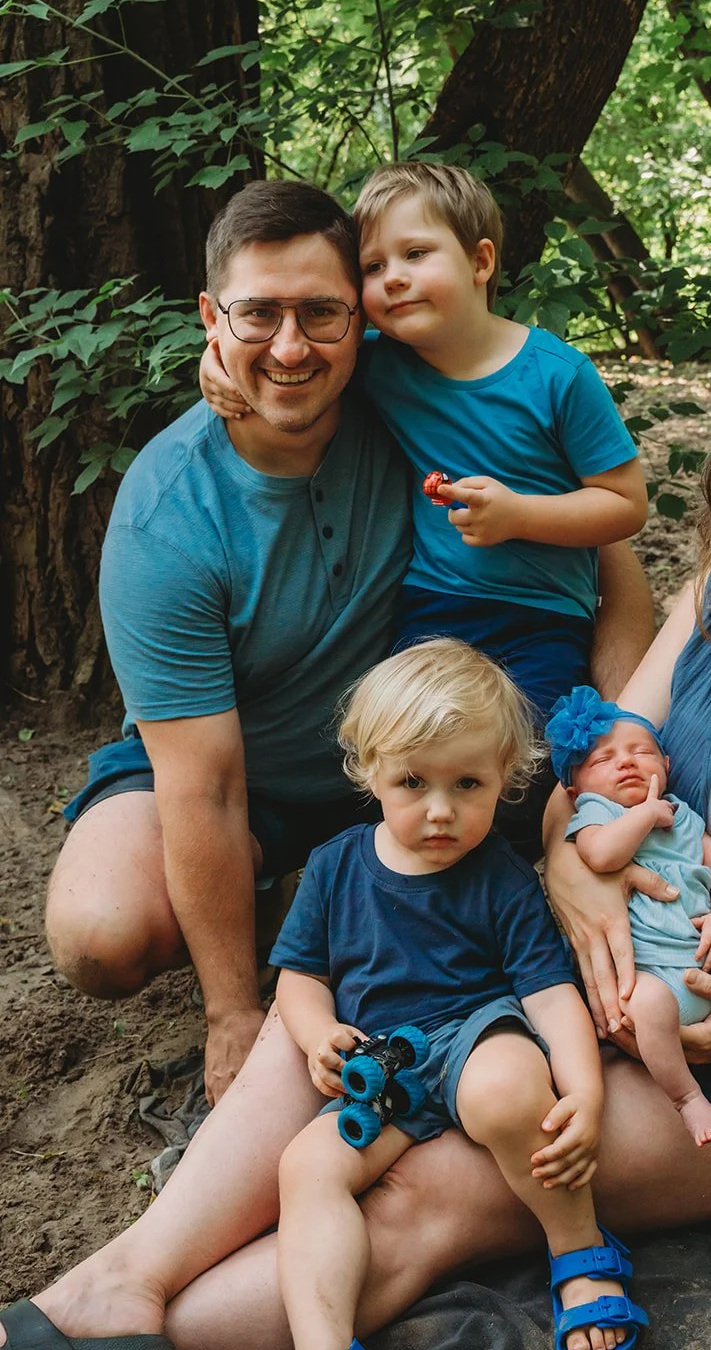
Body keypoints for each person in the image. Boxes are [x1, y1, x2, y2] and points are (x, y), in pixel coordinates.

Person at [0, 363, 711, 1350]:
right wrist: (560, 865)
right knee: (338, 1014)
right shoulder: (710, 615)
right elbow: (584, 768)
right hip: (599, 975)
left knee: (434, 1188)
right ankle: (110, 1285)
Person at [44, 177, 655, 1105]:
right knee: (103, 934)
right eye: (257, 317)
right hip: (221, 774)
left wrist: (611, 743)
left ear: (362, 323)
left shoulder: (404, 398)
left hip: (397, 765)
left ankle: (336, 891)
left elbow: (604, 547)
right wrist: (232, 1016)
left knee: (537, 801)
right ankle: (277, 902)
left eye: (321, 314)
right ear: (210, 317)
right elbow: (202, 782)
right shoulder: (167, 517)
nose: (290, 347)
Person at [246, 641, 645, 1350]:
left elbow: (546, 995)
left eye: (467, 786)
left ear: (505, 779)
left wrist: (582, 1089)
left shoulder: (497, 874)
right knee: (305, 1168)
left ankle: (579, 1250)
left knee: (507, 1085)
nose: (439, 811)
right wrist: (316, 1036)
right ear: (368, 772)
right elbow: (301, 976)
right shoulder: (337, 865)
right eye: (413, 784)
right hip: (382, 1063)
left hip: (473, 1034)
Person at [202, 160, 649, 855]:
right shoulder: (382, 364)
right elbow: (284, 353)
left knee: (518, 768)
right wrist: (212, 361)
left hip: (540, 619)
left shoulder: (557, 375)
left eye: (415, 254)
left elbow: (624, 505)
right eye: (374, 267)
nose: (393, 279)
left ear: (479, 261)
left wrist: (520, 516)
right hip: (429, 608)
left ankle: (520, 889)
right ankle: (384, 887)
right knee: (406, 753)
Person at [546, 688, 711, 1147]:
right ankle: (688, 1099)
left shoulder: (685, 816)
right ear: (574, 792)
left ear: (667, 766)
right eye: (603, 760)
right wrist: (646, 814)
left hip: (708, 959)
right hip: (652, 977)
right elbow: (603, 854)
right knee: (650, 1006)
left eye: (641, 752)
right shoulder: (597, 814)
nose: (626, 763)